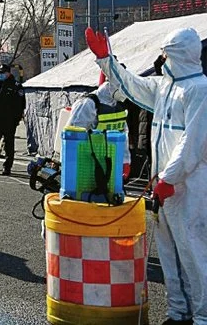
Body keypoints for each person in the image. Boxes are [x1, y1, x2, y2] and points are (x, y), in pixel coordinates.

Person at [87, 26, 207, 325]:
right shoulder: (165, 87)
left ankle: (203, 316)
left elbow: (193, 142)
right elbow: (132, 86)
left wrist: (170, 177)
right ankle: (178, 312)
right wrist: (106, 60)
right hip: (165, 185)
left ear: (177, 53)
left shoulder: (199, 90)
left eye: (166, 52)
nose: (162, 57)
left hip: (188, 185)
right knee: (169, 252)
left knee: (192, 251)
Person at [59, 70, 132, 180]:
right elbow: (72, 136)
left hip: (111, 162)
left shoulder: (119, 106)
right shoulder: (89, 104)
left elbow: (123, 135)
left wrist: (125, 161)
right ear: (112, 84)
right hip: (88, 162)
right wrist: (69, 167)